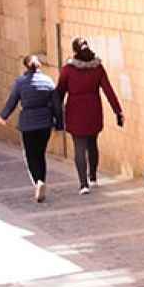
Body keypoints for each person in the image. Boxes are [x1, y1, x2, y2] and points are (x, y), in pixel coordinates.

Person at [56, 37, 123, 195]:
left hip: (75, 111)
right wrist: (117, 111)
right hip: (93, 109)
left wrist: (55, 112)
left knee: (79, 146)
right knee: (92, 143)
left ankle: (83, 184)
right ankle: (93, 177)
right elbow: (108, 90)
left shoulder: (68, 70)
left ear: (74, 51)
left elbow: (59, 92)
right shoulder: (97, 68)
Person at [0, 56, 60, 204]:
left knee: (30, 155)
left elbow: (12, 101)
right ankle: (41, 181)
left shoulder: (20, 83)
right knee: (40, 154)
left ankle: (37, 182)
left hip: (28, 124)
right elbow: (56, 104)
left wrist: (2, 117)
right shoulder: (48, 81)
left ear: (25, 67)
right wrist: (59, 123)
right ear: (39, 66)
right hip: (44, 123)